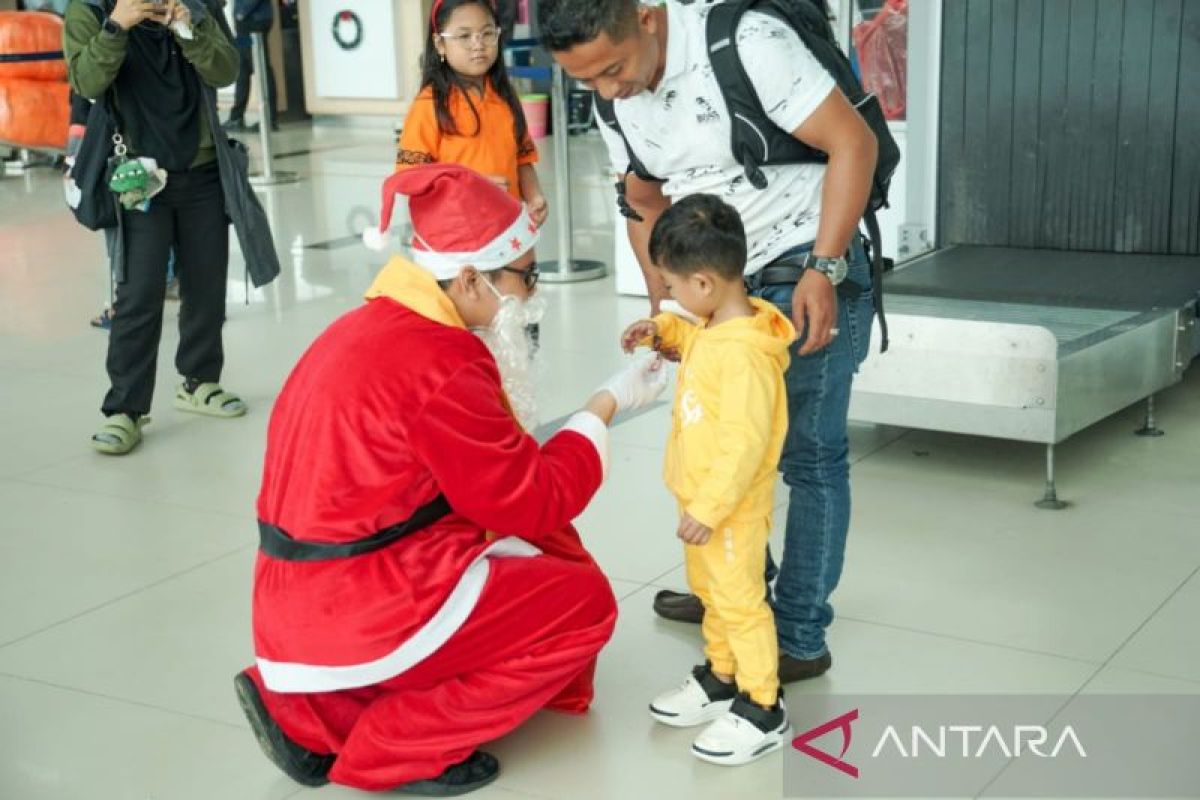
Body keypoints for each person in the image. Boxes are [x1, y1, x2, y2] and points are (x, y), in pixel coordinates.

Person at [235, 163, 668, 795]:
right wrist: (603, 409)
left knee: (515, 557)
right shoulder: (443, 360)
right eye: (525, 277)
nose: (532, 295)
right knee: (583, 607)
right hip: (364, 599)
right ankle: (395, 745)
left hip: (291, 598)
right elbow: (533, 500)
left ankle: (310, 712)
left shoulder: (365, 326)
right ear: (469, 279)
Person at [538, 0, 879, 682]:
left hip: (800, 268)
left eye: (613, 69)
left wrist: (826, 267)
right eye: (588, 83)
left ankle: (801, 632)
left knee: (807, 459)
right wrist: (665, 303)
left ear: (647, 18)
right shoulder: (616, 100)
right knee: (720, 452)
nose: (608, 91)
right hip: (710, 291)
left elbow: (855, 143)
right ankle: (735, 593)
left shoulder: (744, 41)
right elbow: (642, 196)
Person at [621, 194, 795, 764]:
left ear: (702, 283)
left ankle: (763, 704)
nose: (667, 294)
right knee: (712, 595)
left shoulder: (745, 355)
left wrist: (711, 508)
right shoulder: (717, 325)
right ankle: (722, 676)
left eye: (669, 287)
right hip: (700, 500)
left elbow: (744, 444)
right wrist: (660, 330)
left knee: (741, 601)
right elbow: (695, 341)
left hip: (727, 509)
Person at [64, 0, 248, 455]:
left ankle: (200, 381)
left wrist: (188, 28)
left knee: (205, 284)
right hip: (137, 178)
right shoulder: (89, 9)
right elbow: (86, 81)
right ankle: (124, 409)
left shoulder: (197, 7)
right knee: (139, 293)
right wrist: (116, 26)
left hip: (201, 167)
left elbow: (226, 71)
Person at [396, 0, 547, 226]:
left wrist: (534, 197)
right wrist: (472, 188)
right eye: (464, 36)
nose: (478, 44)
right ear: (440, 44)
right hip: (456, 238)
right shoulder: (429, 105)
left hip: (506, 231)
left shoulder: (505, 97)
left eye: (487, 33)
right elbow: (409, 179)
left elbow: (522, 159)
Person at [224, 0, 278, 132]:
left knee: (261, 67)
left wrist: (242, 12)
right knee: (243, 68)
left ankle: (269, 119)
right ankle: (237, 117)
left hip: (254, 22)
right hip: (246, 24)